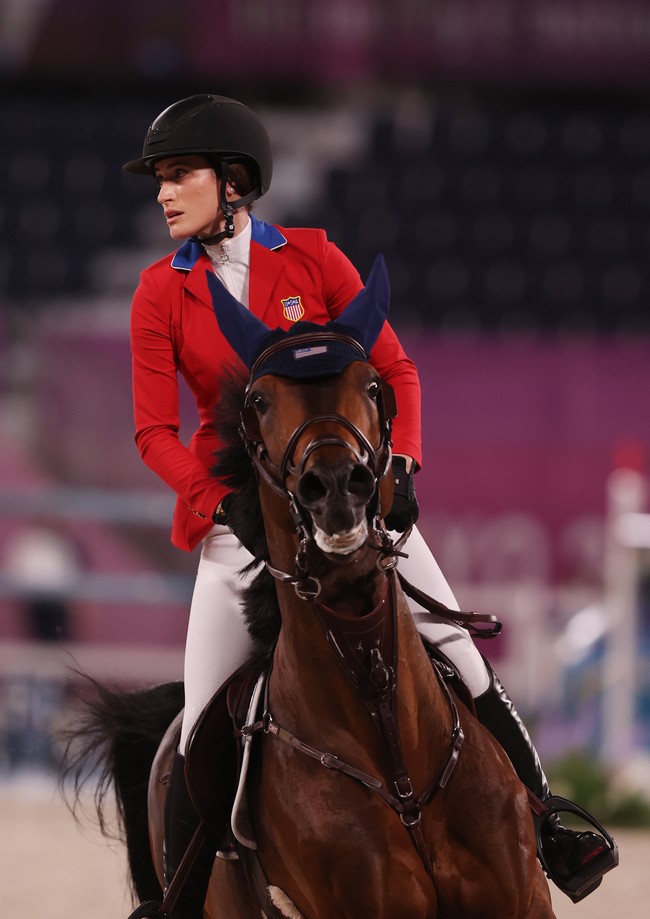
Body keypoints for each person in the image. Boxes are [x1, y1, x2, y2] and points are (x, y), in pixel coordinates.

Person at [123, 94, 614, 917]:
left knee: (457, 649)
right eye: (161, 180)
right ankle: (177, 901)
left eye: (180, 175)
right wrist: (222, 504)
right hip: (240, 527)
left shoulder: (314, 258)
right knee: (204, 720)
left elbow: (397, 370)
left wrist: (402, 465)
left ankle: (550, 824)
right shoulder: (157, 292)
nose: (165, 193)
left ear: (234, 181)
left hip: (355, 504)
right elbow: (152, 432)